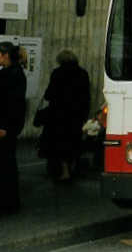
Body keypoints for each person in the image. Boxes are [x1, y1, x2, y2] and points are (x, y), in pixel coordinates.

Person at [42, 49, 91, 181]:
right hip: (77, 114)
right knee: (74, 140)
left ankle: (65, 171)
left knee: (60, 142)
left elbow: (49, 94)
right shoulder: (83, 73)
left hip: (59, 114)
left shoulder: (57, 73)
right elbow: (86, 96)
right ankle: (74, 165)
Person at [0, 41, 27, 212]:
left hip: (7, 125)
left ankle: (8, 201)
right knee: (8, 162)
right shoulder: (15, 72)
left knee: (7, 163)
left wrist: (3, 125)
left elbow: (10, 103)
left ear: (5, 55)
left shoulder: (9, 74)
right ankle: (10, 200)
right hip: (11, 124)